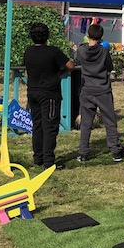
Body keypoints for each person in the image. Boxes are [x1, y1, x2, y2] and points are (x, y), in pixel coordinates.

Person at [23, 22, 75, 170]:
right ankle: (49, 162)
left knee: (37, 125)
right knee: (50, 127)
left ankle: (38, 158)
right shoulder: (53, 51)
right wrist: (60, 73)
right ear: (47, 36)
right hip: (50, 93)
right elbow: (70, 66)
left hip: (32, 92)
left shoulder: (28, 51)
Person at [75, 24, 123, 163]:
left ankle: (83, 153)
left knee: (86, 122)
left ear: (87, 35)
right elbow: (110, 67)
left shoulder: (81, 50)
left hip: (87, 90)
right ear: (102, 37)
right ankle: (115, 152)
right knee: (109, 120)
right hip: (103, 90)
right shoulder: (104, 51)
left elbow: (77, 56)